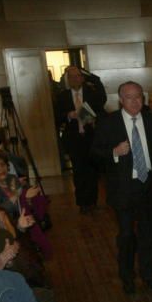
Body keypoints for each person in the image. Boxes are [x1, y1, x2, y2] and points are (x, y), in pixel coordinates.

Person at [92, 81, 152, 295]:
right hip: (122, 189)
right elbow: (94, 154)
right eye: (129, 97)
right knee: (127, 236)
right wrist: (114, 152)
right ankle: (127, 277)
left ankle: (149, 276)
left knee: (148, 235)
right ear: (120, 100)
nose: (135, 101)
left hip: (148, 185)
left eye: (138, 96)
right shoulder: (109, 123)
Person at [54, 65, 107, 213]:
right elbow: (57, 117)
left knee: (92, 172)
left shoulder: (92, 92)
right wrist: (68, 115)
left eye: (78, 76)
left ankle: (93, 202)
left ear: (82, 77)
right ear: (67, 79)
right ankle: (82, 203)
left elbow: (101, 104)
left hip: (91, 137)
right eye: (71, 77)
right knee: (78, 172)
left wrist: (94, 119)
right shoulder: (62, 96)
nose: (75, 79)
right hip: (74, 139)